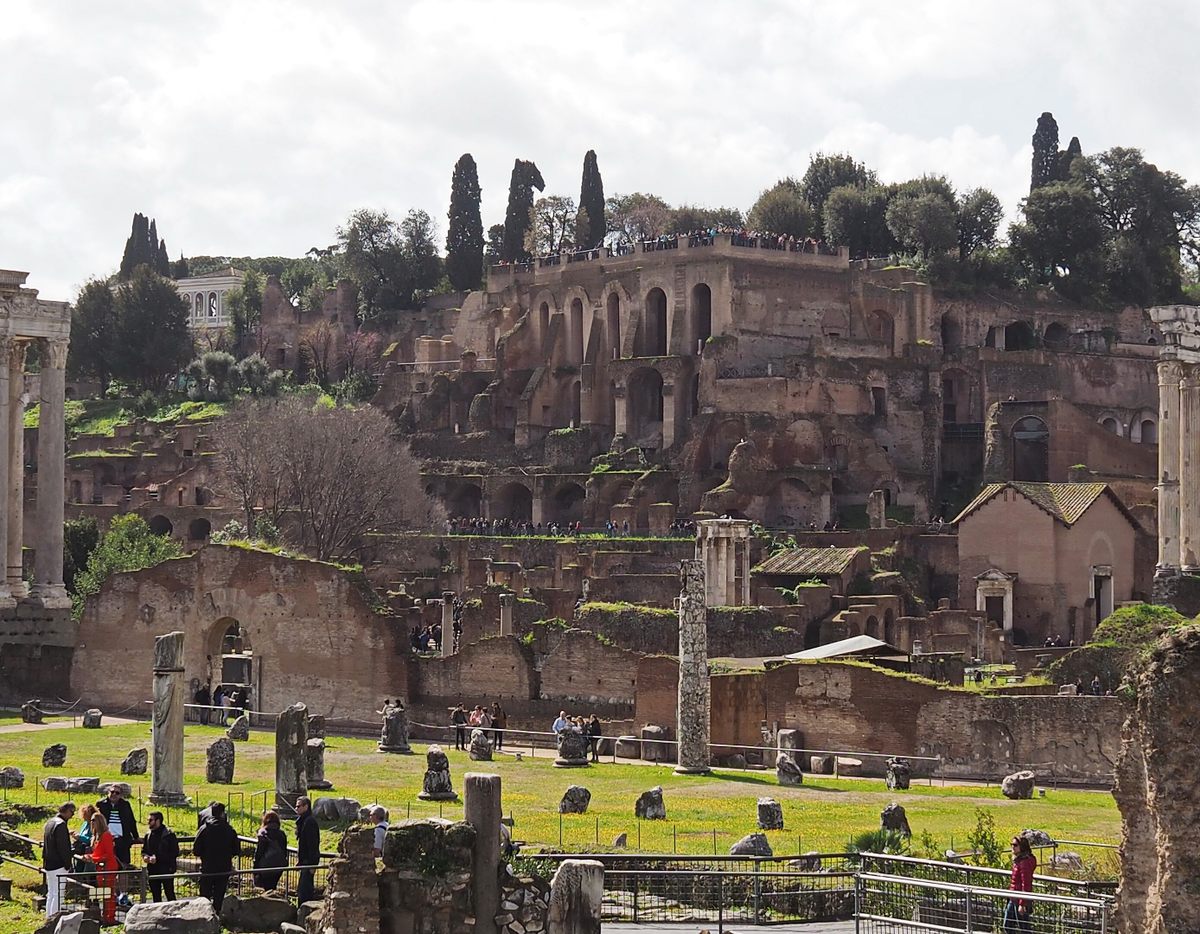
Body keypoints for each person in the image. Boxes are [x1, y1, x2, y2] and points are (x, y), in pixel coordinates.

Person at [193, 801, 241, 913]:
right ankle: (217, 917)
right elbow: (236, 850)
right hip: (223, 868)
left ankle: (204, 918)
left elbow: (196, 850)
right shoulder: (230, 830)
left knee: (204, 896)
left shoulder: (204, 829)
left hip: (207, 867)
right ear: (223, 814)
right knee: (219, 896)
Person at [42, 801, 76, 917]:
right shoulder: (61, 825)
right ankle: (54, 919)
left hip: (49, 863)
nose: (73, 815)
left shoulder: (50, 822)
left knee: (51, 892)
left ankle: (49, 917)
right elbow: (63, 848)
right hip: (58, 865)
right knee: (58, 894)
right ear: (66, 811)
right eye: (72, 812)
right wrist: (68, 864)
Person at [84, 811, 119, 924]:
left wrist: (93, 859)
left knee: (109, 893)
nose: (91, 822)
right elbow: (98, 853)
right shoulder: (96, 836)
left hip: (109, 867)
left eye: (94, 820)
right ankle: (105, 916)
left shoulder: (106, 835)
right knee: (104, 893)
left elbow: (108, 854)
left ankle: (110, 917)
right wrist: (90, 857)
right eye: (91, 820)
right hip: (100, 868)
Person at [97, 784, 139, 872]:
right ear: (108, 792)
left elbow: (131, 821)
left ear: (121, 795)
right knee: (107, 863)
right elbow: (96, 821)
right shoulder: (101, 804)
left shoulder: (125, 804)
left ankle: (122, 884)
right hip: (107, 839)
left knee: (123, 865)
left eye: (117, 793)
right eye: (112, 792)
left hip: (122, 839)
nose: (114, 794)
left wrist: (136, 836)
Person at [142, 811, 179, 902]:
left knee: (169, 893)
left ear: (158, 821)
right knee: (155, 895)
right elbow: (144, 850)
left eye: (151, 820)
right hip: (152, 869)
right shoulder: (148, 834)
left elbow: (175, 852)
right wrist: (145, 856)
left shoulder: (169, 834)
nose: (148, 822)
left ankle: (175, 913)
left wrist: (158, 858)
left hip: (166, 868)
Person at [1004, 835, 1037, 932]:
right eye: (1011, 844)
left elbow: (1026, 883)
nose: (1012, 847)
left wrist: (1022, 904)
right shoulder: (1019, 860)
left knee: (1024, 928)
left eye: (1015, 845)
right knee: (1008, 925)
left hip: (1019, 899)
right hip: (1014, 897)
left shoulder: (1024, 862)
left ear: (1022, 847)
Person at [253, 810, 289, 891]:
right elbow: (284, 850)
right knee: (273, 886)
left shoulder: (263, 833)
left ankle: (268, 901)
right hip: (279, 866)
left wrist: (255, 866)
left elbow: (259, 852)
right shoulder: (282, 834)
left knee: (266, 887)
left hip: (265, 866)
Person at [296, 796, 321, 906]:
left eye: (298, 806)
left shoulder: (309, 822)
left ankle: (304, 912)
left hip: (308, 862)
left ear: (306, 806)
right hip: (305, 861)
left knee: (304, 891)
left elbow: (313, 844)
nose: (296, 808)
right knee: (303, 889)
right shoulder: (304, 821)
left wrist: (312, 864)